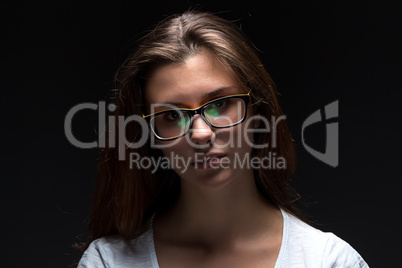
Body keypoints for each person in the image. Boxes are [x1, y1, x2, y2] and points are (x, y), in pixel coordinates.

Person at [77, 11, 369, 268]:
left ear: (259, 111)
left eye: (220, 105)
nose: (201, 133)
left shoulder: (328, 262)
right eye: (171, 116)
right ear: (148, 137)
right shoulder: (108, 262)